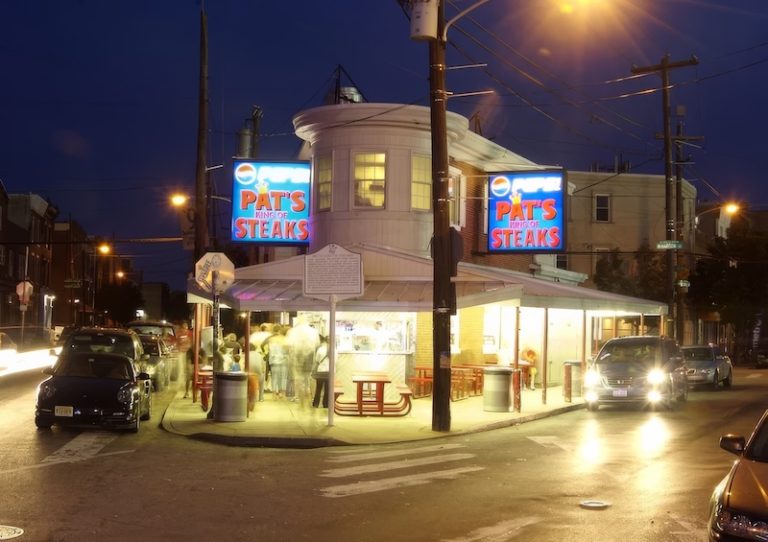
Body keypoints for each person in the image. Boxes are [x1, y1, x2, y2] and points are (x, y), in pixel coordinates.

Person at [312, 336, 330, 408]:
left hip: (321, 370)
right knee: (327, 389)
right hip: (330, 372)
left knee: (318, 388)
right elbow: (335, 361)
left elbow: (317, 360)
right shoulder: (334, 350)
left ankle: (316, 404)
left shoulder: (320, 349)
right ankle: (326, 404)